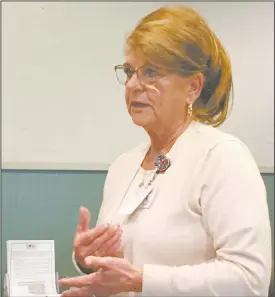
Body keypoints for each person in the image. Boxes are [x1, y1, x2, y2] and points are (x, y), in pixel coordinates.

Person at [59, 4, 272, 297]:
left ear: (193, 87)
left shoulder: (222, 157)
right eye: (131, 71)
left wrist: (144, 280)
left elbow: (250, 280)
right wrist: (88, 260)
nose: (133, 84)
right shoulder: (123, 166)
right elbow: (119, 274)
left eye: (151, 72)